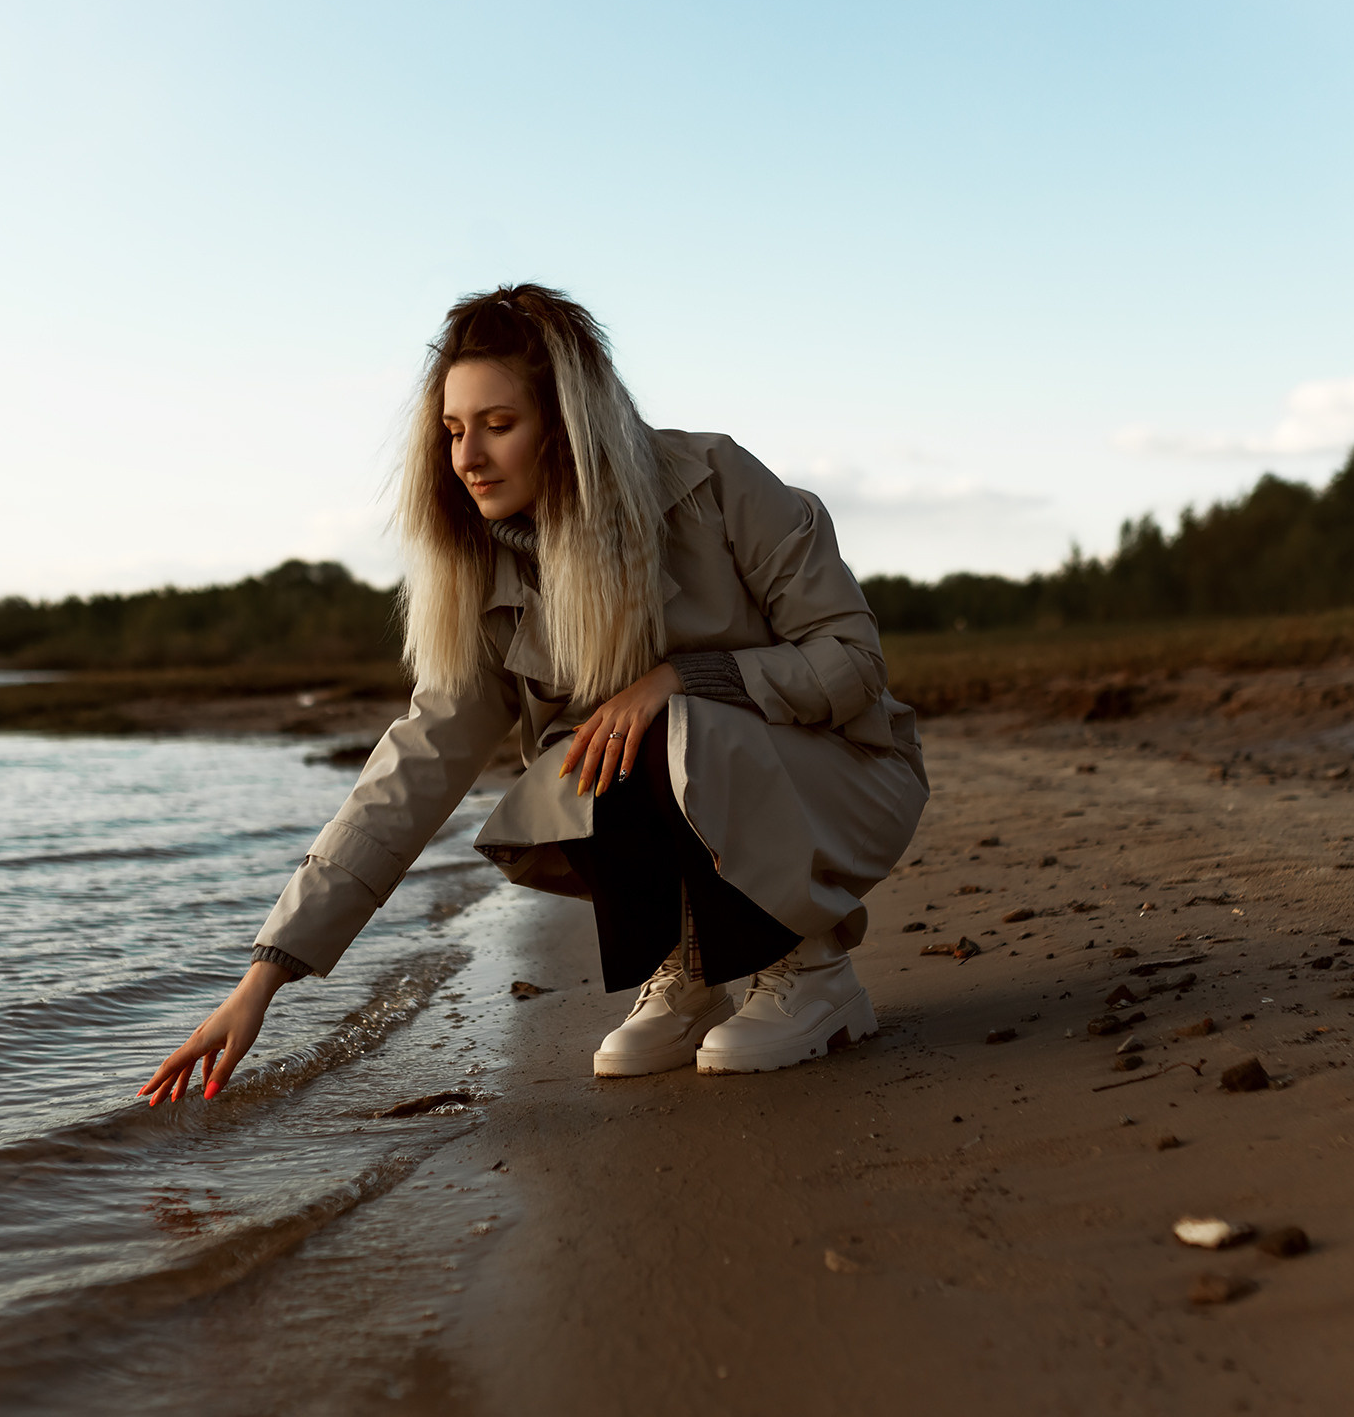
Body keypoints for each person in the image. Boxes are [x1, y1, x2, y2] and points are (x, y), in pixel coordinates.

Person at [139, 284, 927, 1106]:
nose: (468, 458)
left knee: (668, 722)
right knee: (576, 758)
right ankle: (690, 971)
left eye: (498, 424)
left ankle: (810, 965)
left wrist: (683, 678)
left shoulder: (717, 481)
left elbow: (852, 662)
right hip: (710, 774)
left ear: (566, 426)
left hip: (843, 781)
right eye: (453, 431)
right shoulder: (486, 573)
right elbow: (414, 768)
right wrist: (264, 976)